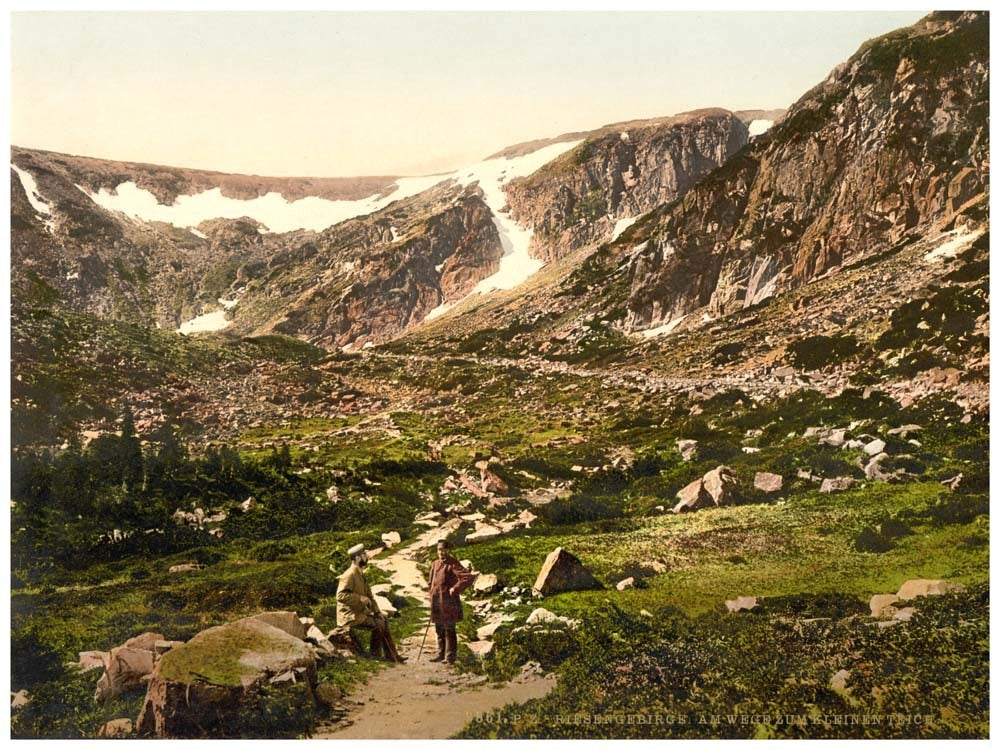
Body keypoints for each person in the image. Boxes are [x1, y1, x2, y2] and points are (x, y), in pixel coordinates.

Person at [335, 543, 406, 663]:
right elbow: (340, 596)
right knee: (379, 625)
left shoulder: (361, 573)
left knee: (383, 620)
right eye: (364, 555)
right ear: (357, 558)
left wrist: (377, 612)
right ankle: (375, 655)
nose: (366, 556)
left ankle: (392, 655)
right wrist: (359, 598)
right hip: (349, 615)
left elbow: (370, 597)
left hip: (359, 612)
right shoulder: (349, 574)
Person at [427, 539, 475, 664]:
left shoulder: (453, 563)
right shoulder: (434, 564)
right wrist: (431, 593)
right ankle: (440, 654)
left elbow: (467, 577)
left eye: (443, 550)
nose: (441, 552)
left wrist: (455, 588)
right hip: (437, 600)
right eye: (439, 550)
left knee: (449, 628)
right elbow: (430, 581)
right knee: (439, 628)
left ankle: (450, 657)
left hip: (448, 601)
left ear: (448, 550)